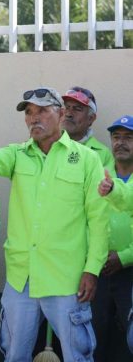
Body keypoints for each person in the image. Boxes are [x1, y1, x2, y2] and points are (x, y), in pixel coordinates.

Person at [0, 87, 109, 362]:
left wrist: (92, 269)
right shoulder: (18, 154)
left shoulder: (87, 159)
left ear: (61, 114)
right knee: (15, 355)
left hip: (66, 279)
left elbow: (99, 220)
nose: (33, 118)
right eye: (28, 112)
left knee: (77, 356)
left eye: (42, 111)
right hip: (21, 278)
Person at [89, 115, 133, 361]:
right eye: (116, 137)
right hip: (100, 269)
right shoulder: (99, 173)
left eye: (128, 137)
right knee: (96, 336)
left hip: (130, 271)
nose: (121, 142)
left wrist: (124, 257)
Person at [61, 86, 113, 167]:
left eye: (77, 109)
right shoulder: (49, 144)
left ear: (91, 118)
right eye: (67, 107)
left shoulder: (102, 154)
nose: (68, 114)